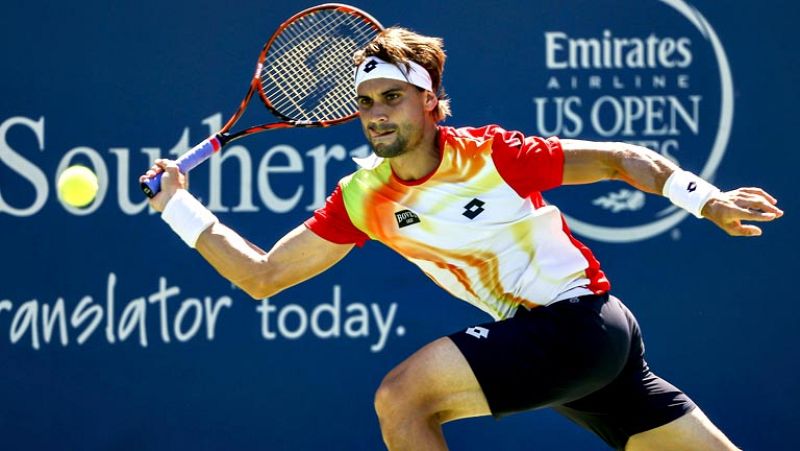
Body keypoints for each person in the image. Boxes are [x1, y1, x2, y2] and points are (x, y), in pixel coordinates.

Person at [141, 27, 782, 450]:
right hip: (579, 357)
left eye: (393, 96)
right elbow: (263, 275)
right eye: (366, 102)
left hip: (581, 326)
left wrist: (704, 198)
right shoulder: (363, 197)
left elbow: (619, 158)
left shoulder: (493, 155)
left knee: (402, 398)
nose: (378, 112)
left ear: (430, 103)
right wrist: (177, 206)